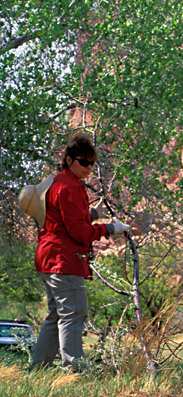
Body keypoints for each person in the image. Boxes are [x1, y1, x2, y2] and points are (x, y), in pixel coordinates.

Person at [29, 133, 130, 370]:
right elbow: (79, 232)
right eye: (84, 162)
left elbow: (64, 220)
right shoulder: (69, 187)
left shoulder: (60, 182)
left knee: (56, 316)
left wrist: (93, 214)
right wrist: (110, 228)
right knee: (73, 313)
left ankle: (38, 369)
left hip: (50, 258)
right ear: (68, 159)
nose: (89, 167)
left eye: (92, 163)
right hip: (63, 260)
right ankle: (74, 369)